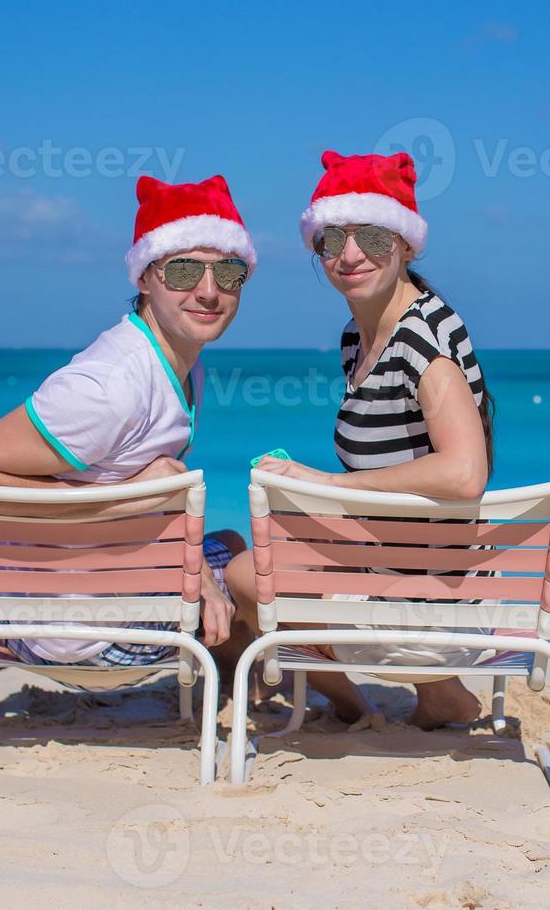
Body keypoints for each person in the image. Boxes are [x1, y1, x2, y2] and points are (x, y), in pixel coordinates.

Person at [0, 174, 256, 715]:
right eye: (184, 270)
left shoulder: (182, 365)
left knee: (221, 544)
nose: (208, 290)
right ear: (146, 278)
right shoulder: (108, 389)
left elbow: (119, 514)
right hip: (85, 639)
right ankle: (235, 696)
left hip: (64, 597)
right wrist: (138, 503)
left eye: (227, 271)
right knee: (236, 564)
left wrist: (165, 530)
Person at [224, 150, 498, 729]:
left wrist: (329, 484)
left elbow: (465, 473)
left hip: (429, 579)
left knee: (249, 575)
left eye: (371, 236)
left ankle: (394, 695)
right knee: (266, 535)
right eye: (332, 240)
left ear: (406, 244)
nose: (350, 255)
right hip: (404, 553)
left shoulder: (425, 341)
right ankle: (421, 698)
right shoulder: (359, 337)